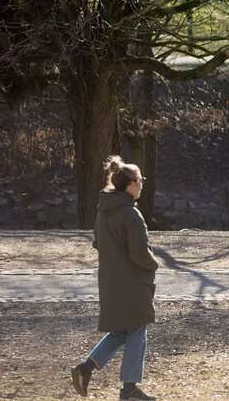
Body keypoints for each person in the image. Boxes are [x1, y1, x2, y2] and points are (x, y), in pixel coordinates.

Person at [70, 156, 158, 400]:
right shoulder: (131, 214)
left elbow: (98, 243)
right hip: (132, 283)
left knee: (123, 331)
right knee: (137, 329)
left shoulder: (104, 212)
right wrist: (154, 263)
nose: (142, 184)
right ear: (129, 184)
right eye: (140, 180)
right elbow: (140, 254)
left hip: (110, 281)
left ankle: (85, 369)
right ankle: (129, 390)